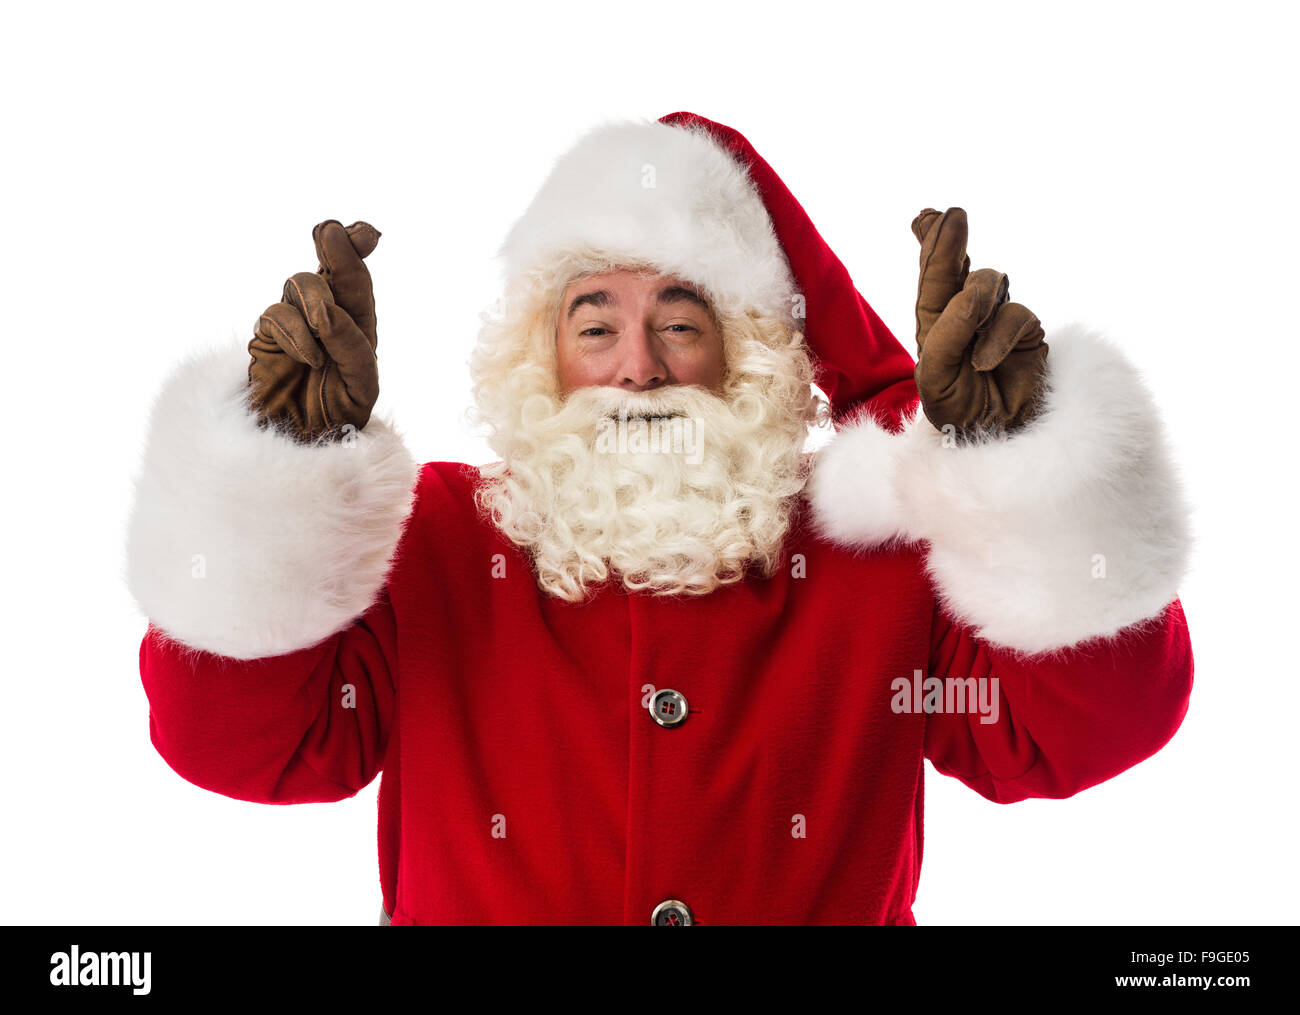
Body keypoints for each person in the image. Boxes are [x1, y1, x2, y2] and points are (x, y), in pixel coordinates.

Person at [125, 112, 1193, 926]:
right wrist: (278, 476)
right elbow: (242, 747)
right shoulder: (432, 534)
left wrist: (1010, 470)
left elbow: (1077, 731)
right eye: (595, 323)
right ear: (537, 358)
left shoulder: (872, 557)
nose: (637, 367)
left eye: (681, 321)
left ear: (754, 355)